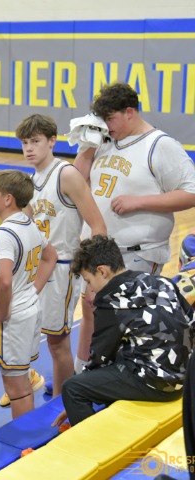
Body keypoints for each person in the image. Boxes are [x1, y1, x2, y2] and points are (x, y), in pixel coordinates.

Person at [72, 81, 195, 377]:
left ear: (130, 112)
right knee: (90, 311)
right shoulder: (105, 140)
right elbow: (74, 182)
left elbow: (191, 192)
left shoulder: (160, 145)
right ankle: (82, 376)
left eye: (111, 118)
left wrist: (139, 202)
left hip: (137, 253)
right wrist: (88, 145)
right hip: (98, 250)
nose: (107, 125)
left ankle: (117, 382)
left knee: (125, 323)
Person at [13, 114, 106, 404]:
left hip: (63, 268)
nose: (29, 148)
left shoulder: (66, 174)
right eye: (25, 143)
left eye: (35, 141)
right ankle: (47, 391)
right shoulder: (32, 180)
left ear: (52, 141)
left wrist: (93, 278)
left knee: (56, 341)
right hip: (39, 267)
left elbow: (98, 226)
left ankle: (64, 405)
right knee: (33, 336)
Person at [53, 235, 193, 427]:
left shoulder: (110, 302)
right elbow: (191, 320)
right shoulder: (161, 282)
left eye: (88, 281)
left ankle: (93, 440)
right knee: (123, 354)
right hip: (187, 374)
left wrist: (80, 393)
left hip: (161, 385)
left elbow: (100, 358)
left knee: (72, 387)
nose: (90, 289)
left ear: (102, 271)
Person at [0, 170, 57, 419]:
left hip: (13, 317)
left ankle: (25, 438)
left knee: (17, 392)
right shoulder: (29, 224)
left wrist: (3, 312)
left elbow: (4, 280)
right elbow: (51, 256)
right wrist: (32, 290)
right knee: (22, 383)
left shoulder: (5, 233)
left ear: (8, 199)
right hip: (29, 308)